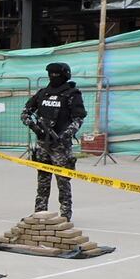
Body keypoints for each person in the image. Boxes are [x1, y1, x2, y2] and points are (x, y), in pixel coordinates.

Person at [20, 62, 86, 219]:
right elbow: (25, 113)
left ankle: (65, 215)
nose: (54, 77)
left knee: (63, 182)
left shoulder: (72, 94)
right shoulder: (43, 93)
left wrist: (65, 136)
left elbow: (78, 118)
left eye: (57, 74)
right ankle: (40, 213)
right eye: (52, 74)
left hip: (60, 146)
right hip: (43, 144)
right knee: (43, 181)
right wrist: (36, 128)